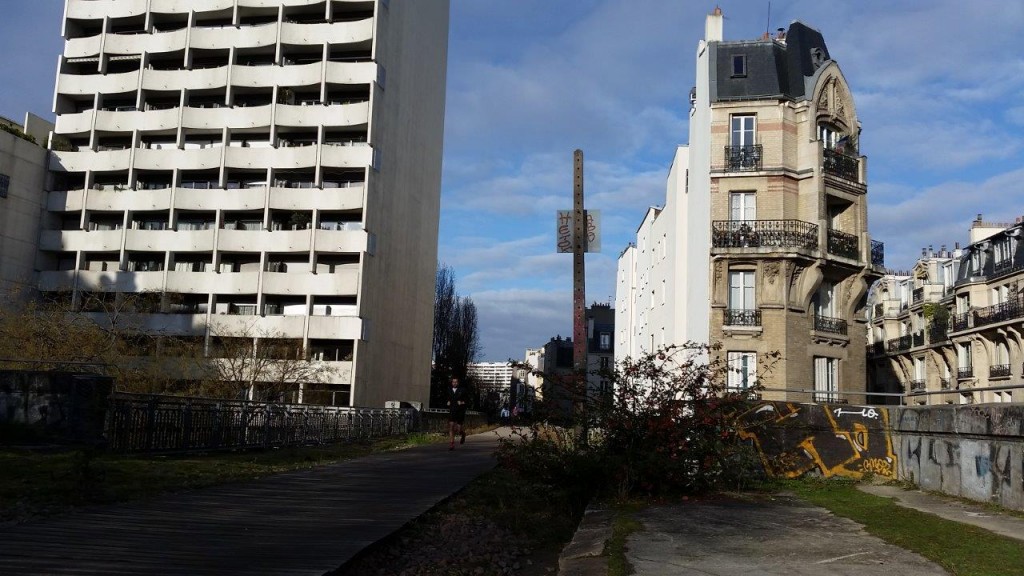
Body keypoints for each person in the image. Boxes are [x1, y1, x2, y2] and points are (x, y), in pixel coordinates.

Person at [447, 376, 468, 450]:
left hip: (460, 411)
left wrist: (462, 402)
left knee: (458, 430)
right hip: (452, 410)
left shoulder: (463, 390)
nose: (454, 383)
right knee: (451, 426)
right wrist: (448, 401)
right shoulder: (449, 390)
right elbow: (447, 398)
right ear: (451, 383)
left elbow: (467, 401)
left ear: (458, 383)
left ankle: (463, 434)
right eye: (453, 382)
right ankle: (452, 444)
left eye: (456, 382)